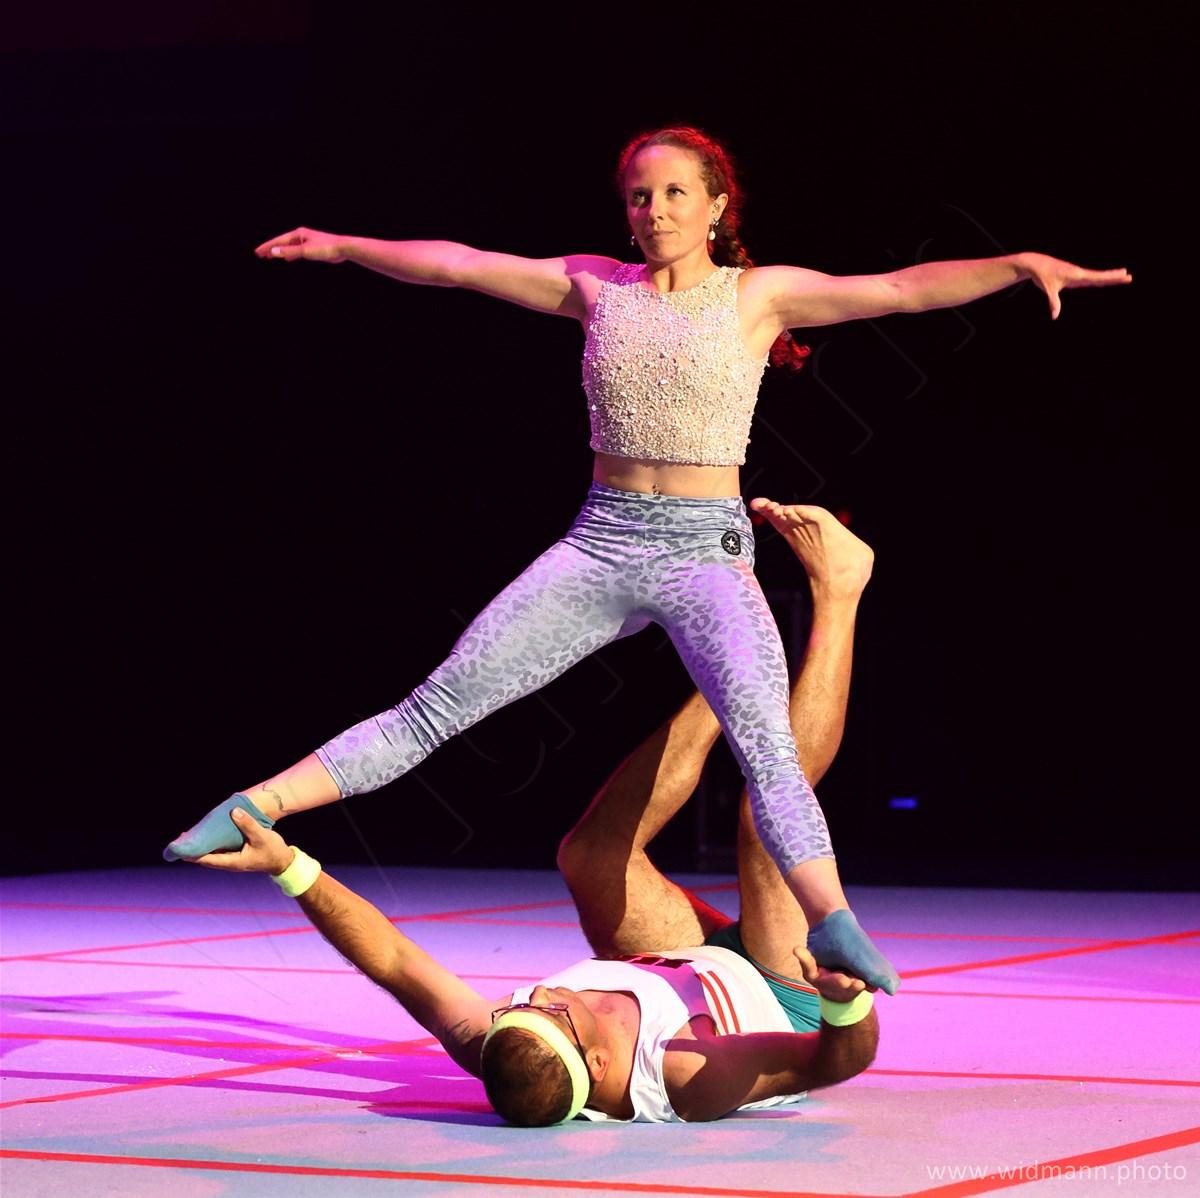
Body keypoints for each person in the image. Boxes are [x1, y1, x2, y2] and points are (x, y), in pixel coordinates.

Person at [165, 124, 1131, 995]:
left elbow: (898, 290)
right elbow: (459, 265)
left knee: (767, 748)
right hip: (601, 543)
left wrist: (1016, 265)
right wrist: (344, 245)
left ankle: (832, 920)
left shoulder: (757, 296)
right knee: (438, 706)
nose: (655, 210)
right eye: (639, 195)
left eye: (674, 193)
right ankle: (253, 806)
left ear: (716, 207)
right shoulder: (597, 287)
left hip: (706, 552)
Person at [192, 502, 882, 1125]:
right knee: (764, 829)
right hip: (782, 994)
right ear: (601, 1066)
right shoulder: (687, 1077)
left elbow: (394, 959)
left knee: (588, 857)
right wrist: (841, 1001)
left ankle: (722, 689)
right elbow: (834, 1063)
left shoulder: (501, 1040)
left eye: (522, 1007)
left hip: (682, 961)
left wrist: (287, 866)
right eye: (552, 1010)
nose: (542, 992)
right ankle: (840, 591)